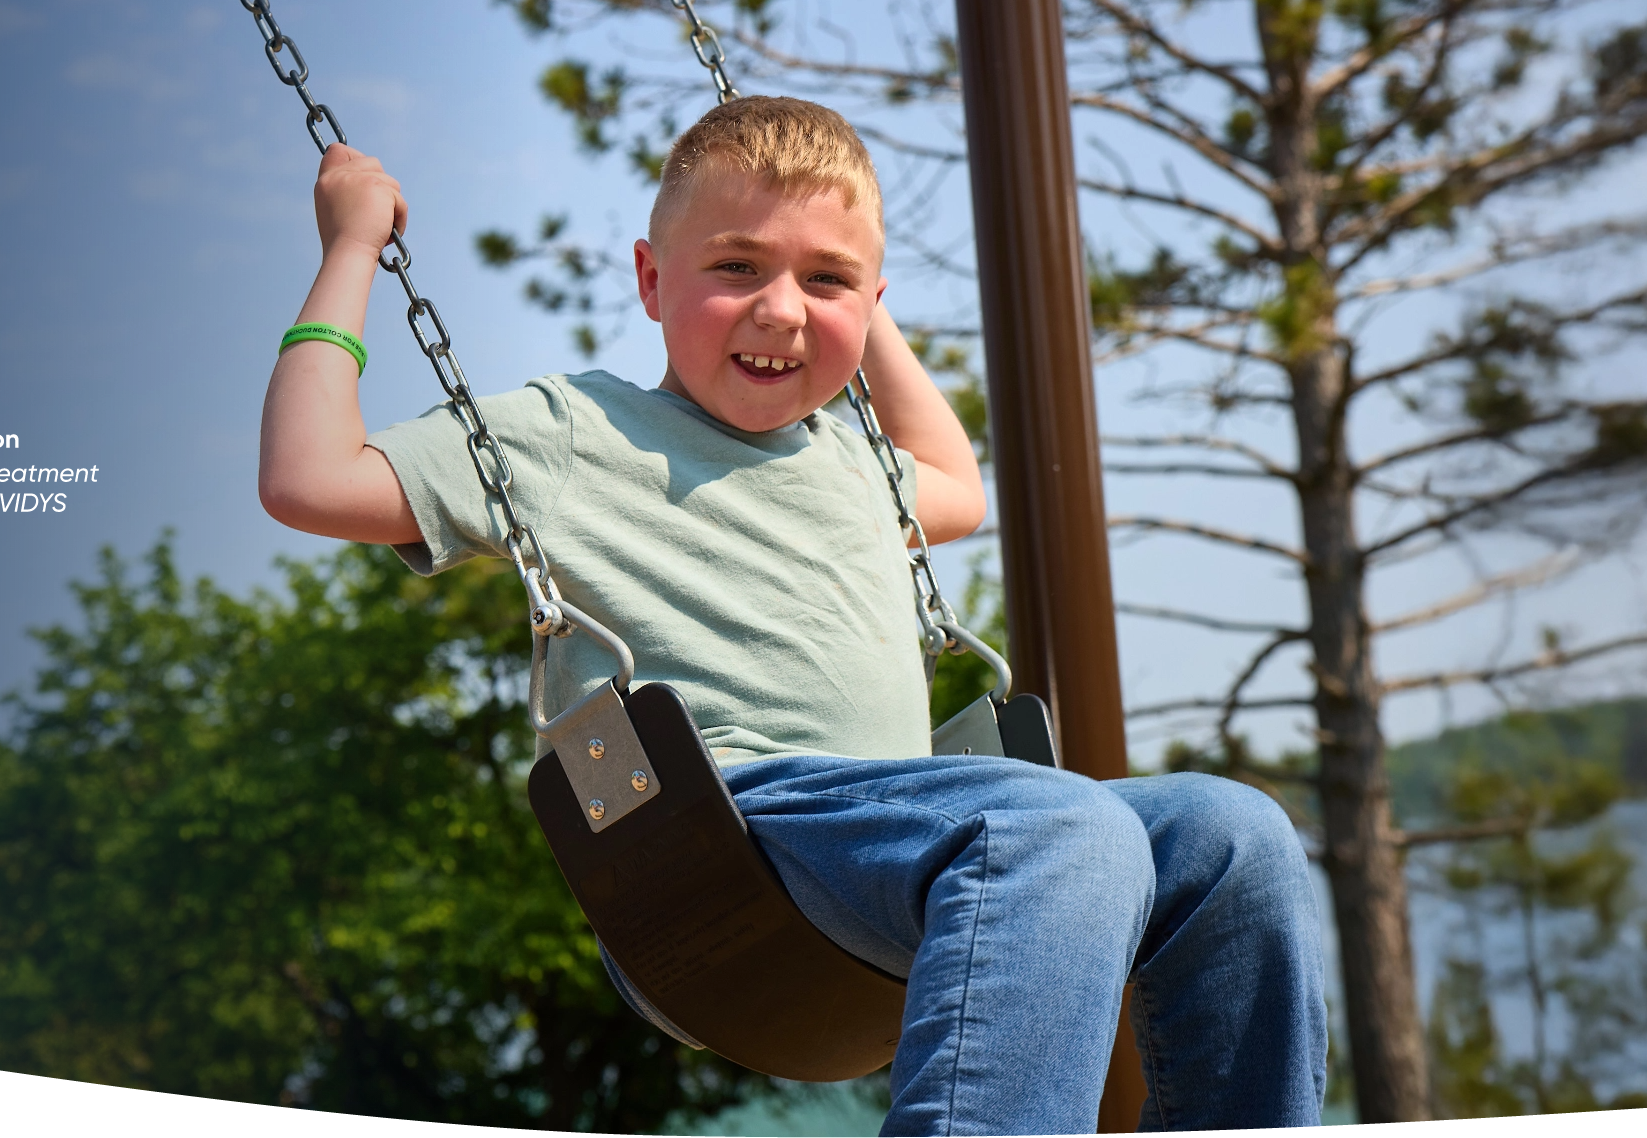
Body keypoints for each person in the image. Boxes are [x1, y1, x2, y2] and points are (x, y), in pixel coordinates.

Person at [256, 95, 1325, 1134]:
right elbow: (309, 476)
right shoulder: (576, 433)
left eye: (826, 280)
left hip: (902, 841)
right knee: (1062, 823)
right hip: (721, 838)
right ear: (648, 278)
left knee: (1241, 836)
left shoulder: (857, 461)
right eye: (736, 266)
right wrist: (350, 248)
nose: (779, 309)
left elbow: (959, 480)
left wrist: (857, 303)